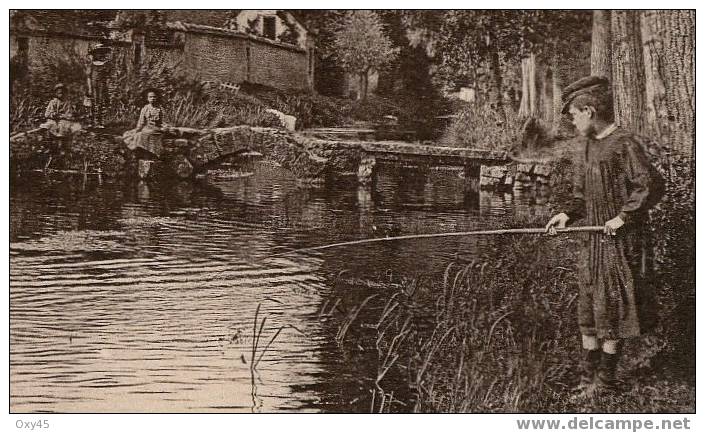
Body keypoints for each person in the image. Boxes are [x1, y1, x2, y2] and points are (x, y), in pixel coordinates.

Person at [545, 76, 664, 394]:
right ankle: (588, 380)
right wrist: (566, 214)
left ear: (590, 110)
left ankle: (606, 382)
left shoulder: (624, 144)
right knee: (588, 309)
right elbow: (581, 196)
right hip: (591, 242)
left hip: (618, 241)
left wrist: (623, 217)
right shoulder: (585, 146)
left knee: (611, 309)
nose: (571, 121)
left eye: (574, 114)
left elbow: (650, 185)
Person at [125, 89, 165, 155]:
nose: (152, 98)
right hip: (147, 128)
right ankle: (142, 152)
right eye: (150, 97)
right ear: (147, 98)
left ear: (157, 98)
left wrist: (164, 127)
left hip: (157, 129)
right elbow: (141, 122)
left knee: (146, 133)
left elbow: (164, 121)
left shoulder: (160, 109)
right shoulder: (145, 108)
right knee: (135, 134)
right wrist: (136, 129)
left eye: (154, 97)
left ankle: (153, 153)